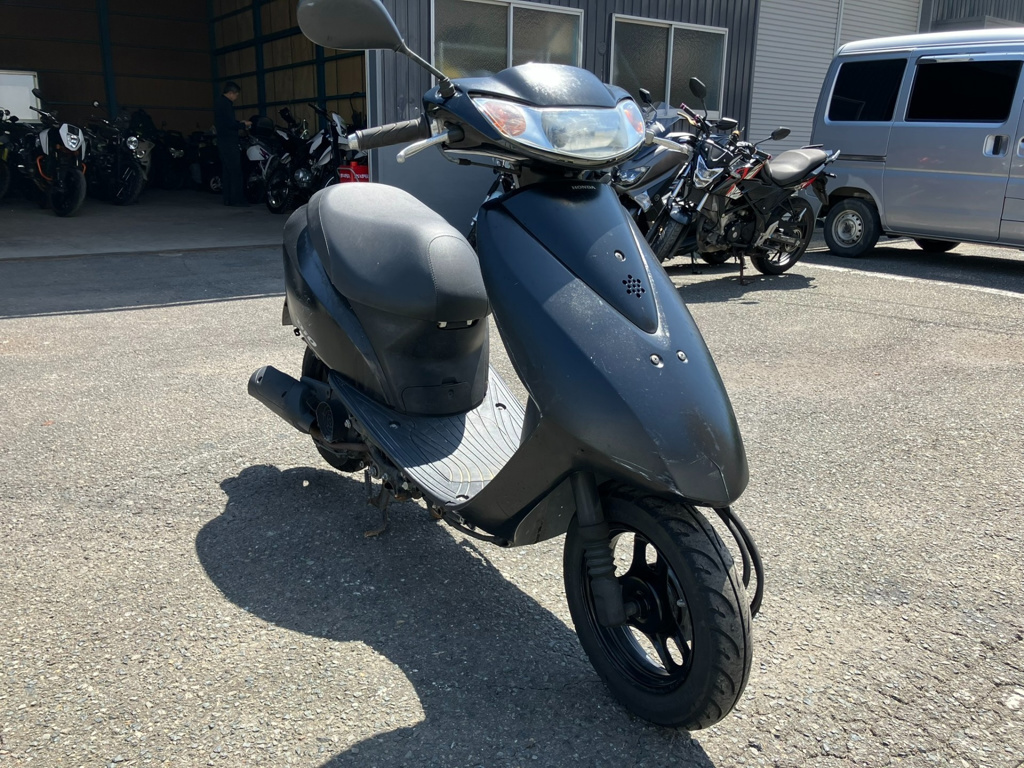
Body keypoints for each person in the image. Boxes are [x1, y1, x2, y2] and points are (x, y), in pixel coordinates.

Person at [214, 81, 250, 207]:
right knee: (235, 171)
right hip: (229, 142)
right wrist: (243, 125)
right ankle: (237, 199)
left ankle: (228, 199)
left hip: (222, 141)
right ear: (231, 93)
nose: (236, 97)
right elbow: (230, 124)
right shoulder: (226, 104)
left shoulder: (219, 103)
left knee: (227, 171)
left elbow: (226, 121)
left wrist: (239, 122)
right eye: (236, 95)